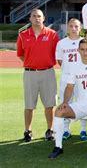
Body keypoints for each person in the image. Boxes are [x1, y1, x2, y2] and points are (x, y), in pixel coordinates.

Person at [47, 39, 87, 160]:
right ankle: (58, 146)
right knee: (59, 111)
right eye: (83, 49)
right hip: (79, 105)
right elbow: (69, 87)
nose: (85, 53)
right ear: (78, 50)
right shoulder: (74, 66)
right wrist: (65, 102)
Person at [17, 8, 59, 142]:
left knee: (50, 104)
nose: (37, 18)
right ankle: (27, 131)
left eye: (39, 16)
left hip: (48, 72)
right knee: (29, 105)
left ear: (44, 18)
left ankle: (50, 130)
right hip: (30, 74)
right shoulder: (23, 35)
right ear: (30, 18)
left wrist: (42, 64)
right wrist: (32, 64)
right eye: (34, 16)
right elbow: (21, 54)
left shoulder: (52, 34)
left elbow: (57, 53)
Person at [55, 18, 87, 141]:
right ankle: (66, 130)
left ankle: (83, 129)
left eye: (76, 26)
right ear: (67, 27)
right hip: (66, 76)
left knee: (83, 101)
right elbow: (60, 61)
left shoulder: (84, 42)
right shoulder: (62, 43)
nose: (73, 29)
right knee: (65, 102)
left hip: (82, 77)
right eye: (71, 26)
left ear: (80, 28)